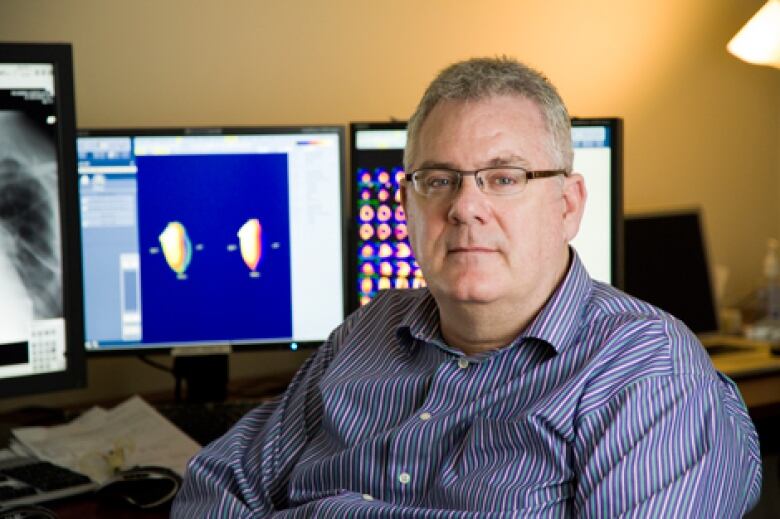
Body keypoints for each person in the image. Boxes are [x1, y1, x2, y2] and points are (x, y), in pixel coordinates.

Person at [172, 57, 761, 517]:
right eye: (439, 179)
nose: (464, 208)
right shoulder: (368, 330)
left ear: (568, 205)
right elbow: (221, 483)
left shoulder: (643, 370)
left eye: (503, 178)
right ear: (406, 205)